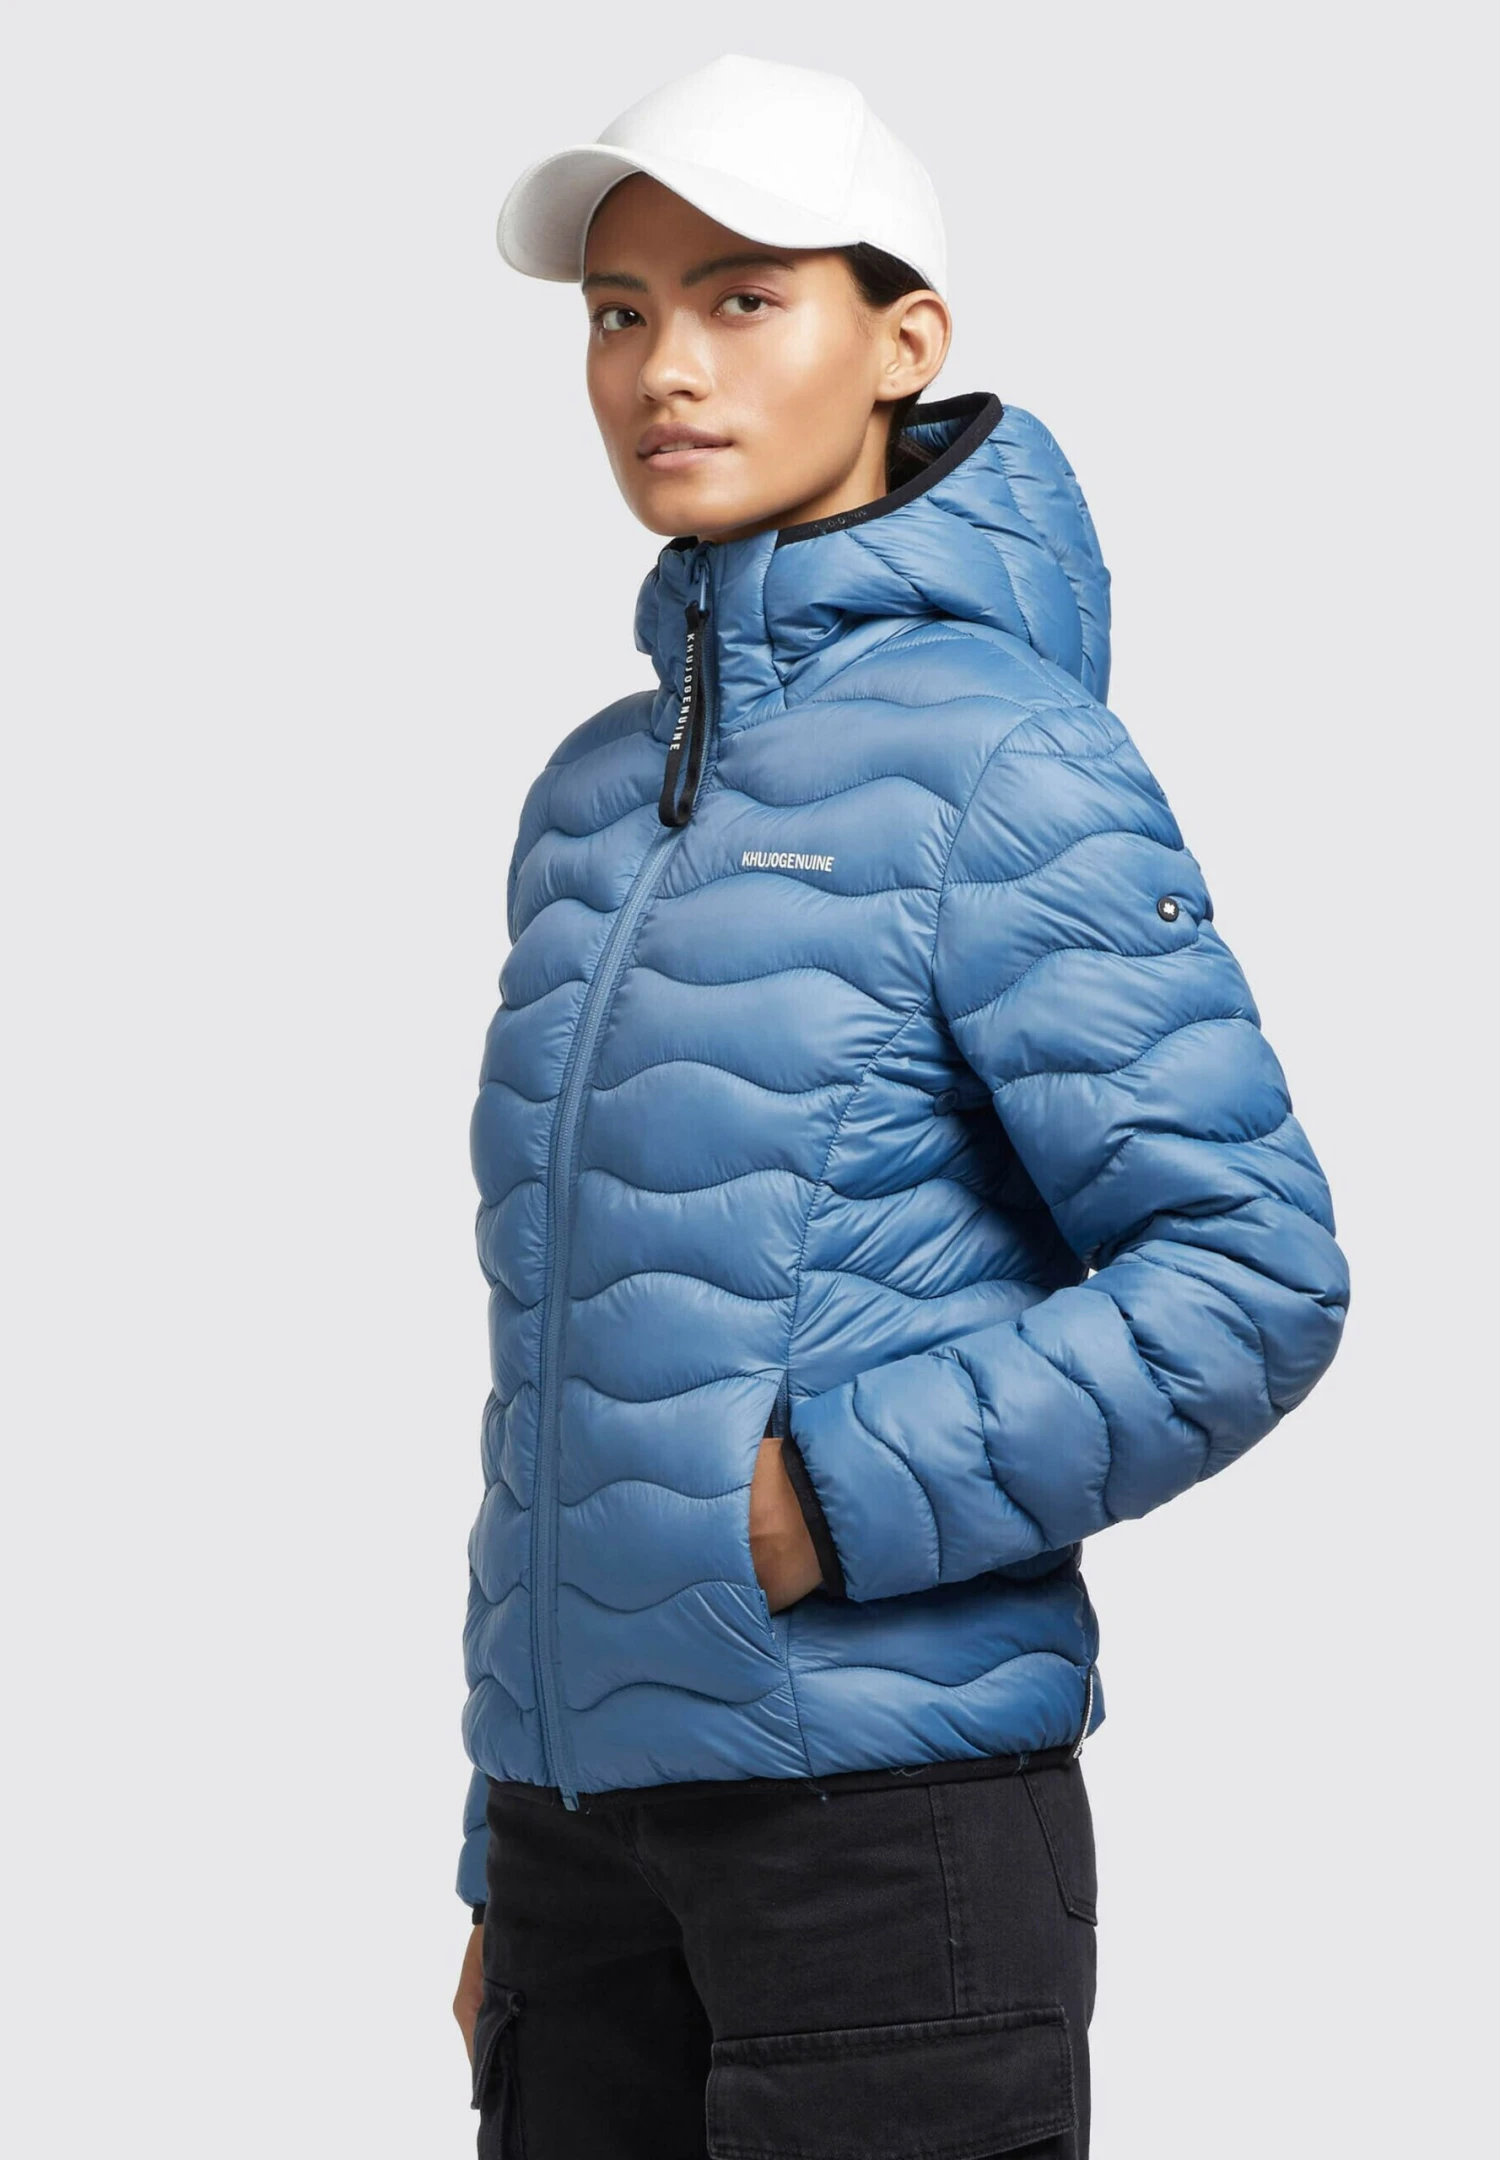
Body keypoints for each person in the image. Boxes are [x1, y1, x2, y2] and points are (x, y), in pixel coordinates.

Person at [451, 53, 1350, 2160]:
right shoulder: (591, 797)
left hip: (881, 1838)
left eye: (743, 297)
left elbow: (1251, 1273)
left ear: (905, 341)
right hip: (584, 1846)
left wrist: (831, 1498)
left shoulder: (1007, 759)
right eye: (618, 312)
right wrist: (501, 1845)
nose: (664, 367)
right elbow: (563, 1366)